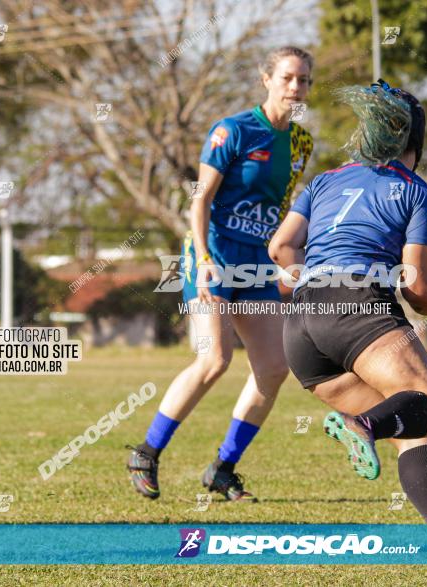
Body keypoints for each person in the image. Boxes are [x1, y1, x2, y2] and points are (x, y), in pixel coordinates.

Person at [268, 79, 427, 561]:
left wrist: (307, 280)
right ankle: (361, 424)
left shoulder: (325, 180)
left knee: (411, 425)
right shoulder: (418, 193)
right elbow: (420, 289)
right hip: (357, 309)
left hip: (301, 329)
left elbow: (280, 248)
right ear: (417, 141)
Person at [127, 47, 314, 502]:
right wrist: (206, 259)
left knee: (273, 367)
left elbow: (283, 207)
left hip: (257, 265)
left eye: (304, 80)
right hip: (212, 258)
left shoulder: (303, 143)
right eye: (288, 78)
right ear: (266, 79)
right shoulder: (232, 130)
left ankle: (222, 469)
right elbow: (200, 199)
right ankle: (146, 453)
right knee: (214, 360)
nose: (296, 88)